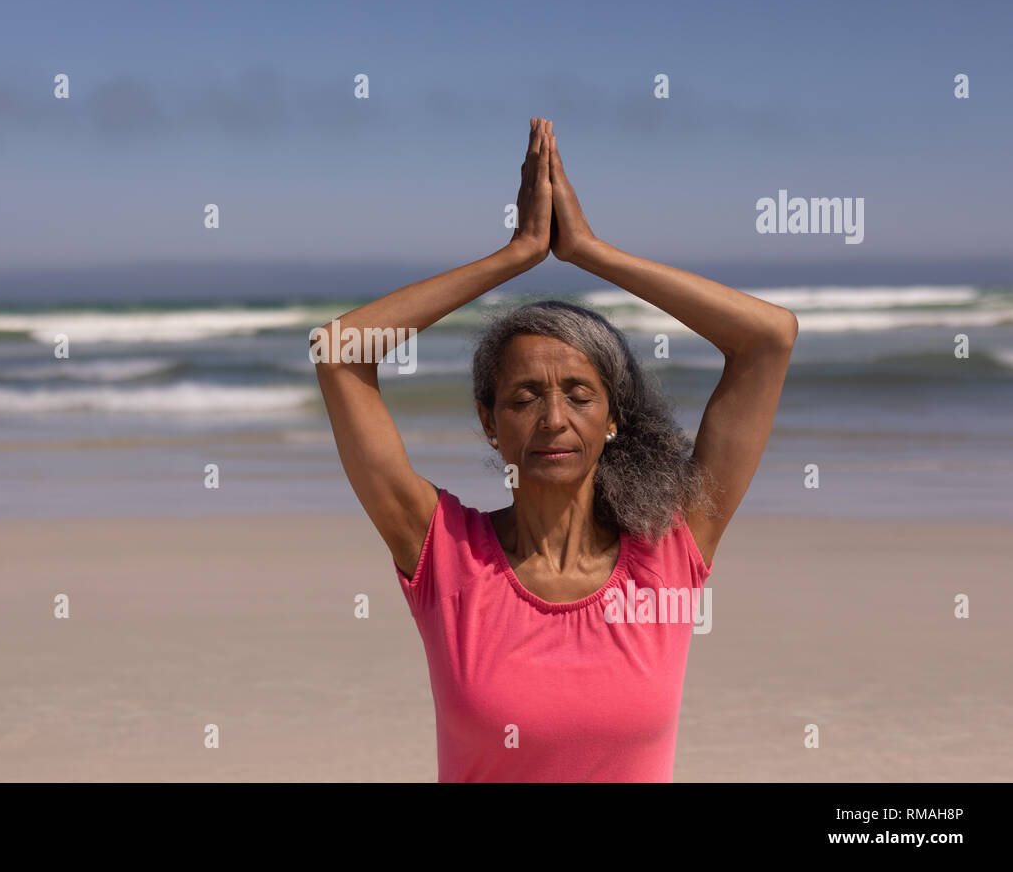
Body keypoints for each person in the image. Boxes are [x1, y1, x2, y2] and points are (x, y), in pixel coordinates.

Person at [313, 118, 797, 781]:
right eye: (523, 398)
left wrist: (591, 252)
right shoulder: (445, 555)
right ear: (489, 422)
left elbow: (769, 338)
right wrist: (514, 255)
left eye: (578, 394)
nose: (552, 419)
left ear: (613, 419)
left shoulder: (670, 549)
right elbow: (339, 355)